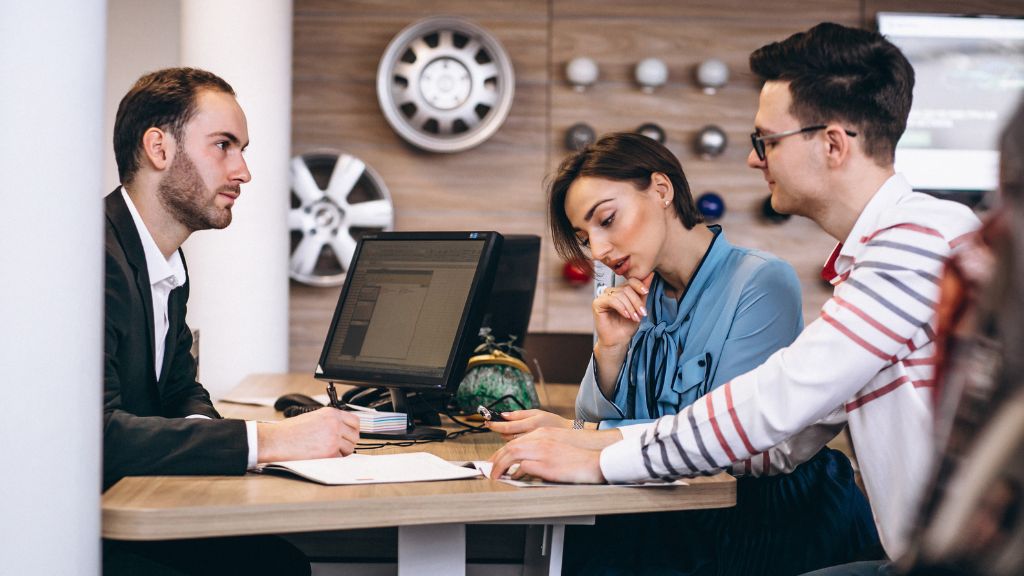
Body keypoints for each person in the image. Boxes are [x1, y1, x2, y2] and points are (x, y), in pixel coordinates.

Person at [489, 22, 981, 575]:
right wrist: (589, 440)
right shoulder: (875, 260)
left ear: (833, 143)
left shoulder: (920, 240)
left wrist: (598, 457)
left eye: (766, 142)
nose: (753, 159)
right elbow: (772, 447)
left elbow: (769, 406)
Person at [487, 132, 879, 574]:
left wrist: (585, 436)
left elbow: (723, 442)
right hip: (669, 507)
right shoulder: (632, 291)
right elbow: (585, 421)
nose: (598, 251)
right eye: (584, 236)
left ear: (661, 189)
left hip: (765, 515)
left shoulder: (761, 281)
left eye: (608, 220)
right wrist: (609, 351)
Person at [102, 67, 360, 575]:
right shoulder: (89, 259)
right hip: (66, 531)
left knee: (275, 562)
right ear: (159, 148)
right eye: (224, 145)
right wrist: (269, 441)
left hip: (133, 502)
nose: (243, 171)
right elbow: (94, 437)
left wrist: (217, 440)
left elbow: (179, 388)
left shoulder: (166, 261)